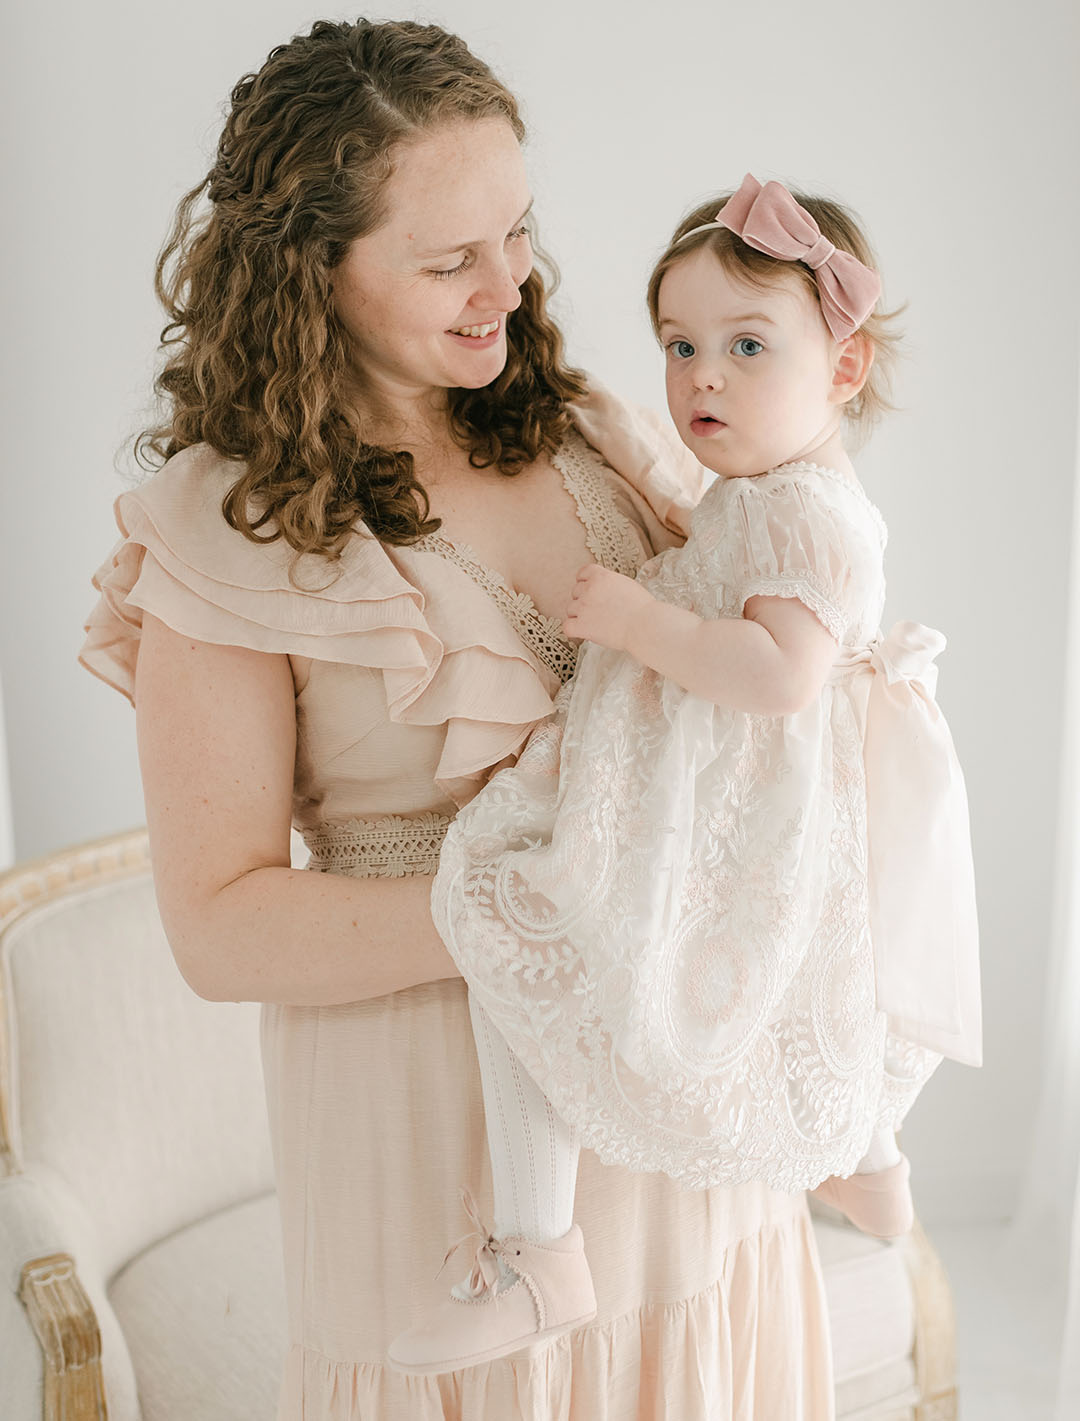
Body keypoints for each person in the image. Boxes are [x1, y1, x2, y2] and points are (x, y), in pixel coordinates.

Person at [80, 22, 837, 1421]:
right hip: (445, 1155)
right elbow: (217, 922)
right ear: (312, 271)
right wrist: (530, 903)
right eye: (450, 260)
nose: (514, 282)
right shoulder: (222, 535)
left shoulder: (587, 429)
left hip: (673, 1122)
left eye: (519, 229)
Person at [390, 175, 983, 1374]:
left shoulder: (799, 512)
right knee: (817, 972)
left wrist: (629, 619)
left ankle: (541, 1245)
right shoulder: (765, 493)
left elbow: (777, 675)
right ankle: (867, 1162)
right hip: (747, 788)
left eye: (747, 344)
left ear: (845, 368)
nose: (701, 375)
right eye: (680, 344)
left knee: (531, 918)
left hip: (745, 793)